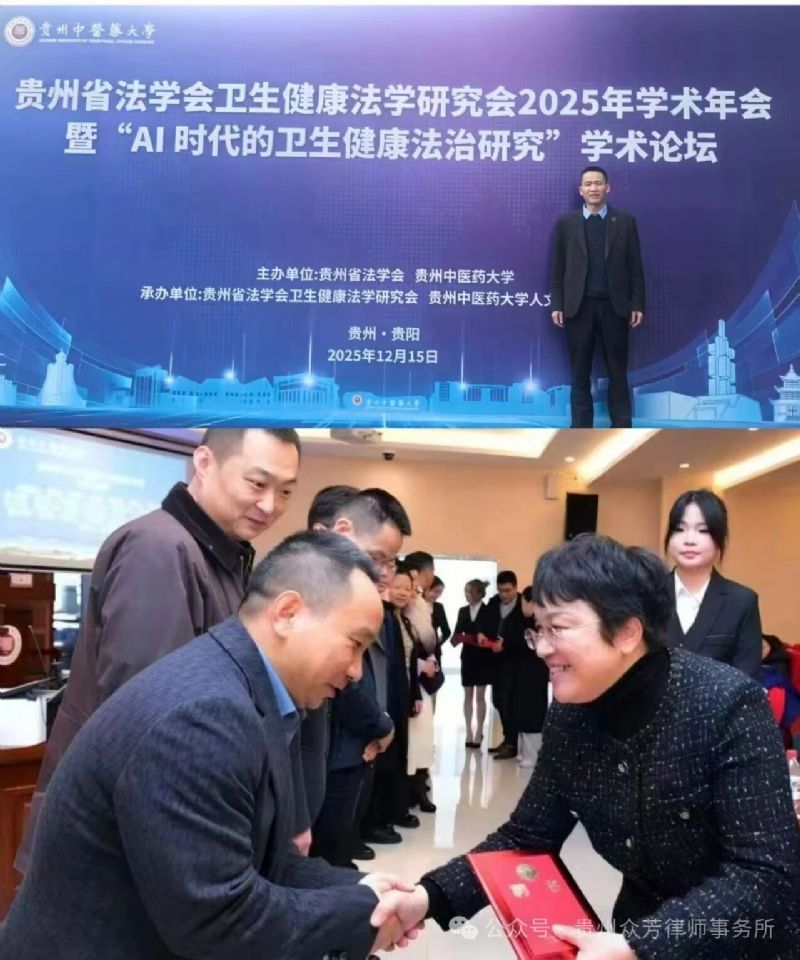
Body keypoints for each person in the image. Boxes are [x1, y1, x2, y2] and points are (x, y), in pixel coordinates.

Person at [0, 532, 425, 960]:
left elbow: (266, 861)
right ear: (288, 613)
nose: (356, 672)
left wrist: (363, 891)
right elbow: (220, 919)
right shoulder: (204, 716)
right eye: (354, 644)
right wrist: (361, 914)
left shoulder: (250, 691)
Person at [385, 534, 800, 959]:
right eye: (538, 630)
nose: (543, 648)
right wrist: (427, 897)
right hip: (633, 934)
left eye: (559, 628)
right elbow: (527, 836)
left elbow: (763, 875)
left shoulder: (727, 705)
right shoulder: (570, 715)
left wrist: (640, 946)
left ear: (627, 632)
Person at [17, 427, 302, 873]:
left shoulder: (222, 556)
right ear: (204, 463)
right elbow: (151, 720)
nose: (270, 505)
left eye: (285, 491)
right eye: (256, 483)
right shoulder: (160, 548)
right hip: (119, 836)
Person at [306, 486, 413, 866]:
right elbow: (344, 681)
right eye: (377, 558)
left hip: (348, 744)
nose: (383, 572)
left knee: (336, 851)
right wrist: (379, 724)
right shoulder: (313, 602)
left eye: (391, 562)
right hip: (323, 751)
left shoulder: (366, 602)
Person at [550, 165, 645, 427]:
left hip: (615, 307)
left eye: (598, 183)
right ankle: (581, 430)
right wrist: (557, 303)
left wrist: (637, 303)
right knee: (580, 373)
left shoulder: (624, 221)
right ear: (581, 190)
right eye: (588, 184)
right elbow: (558, 267)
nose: (594, 188)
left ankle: (622, 427)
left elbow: (635, 266)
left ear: (608, 187)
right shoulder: (566, 224)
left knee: (617, 372)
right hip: (578, 307)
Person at [664, 488, 762, 680]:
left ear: (719, 539)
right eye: (680, 529)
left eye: (703, 530)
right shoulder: (647, 594)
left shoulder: (741, 602)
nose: (689, 540)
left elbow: (747, 681)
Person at [390, 565, 437, 815]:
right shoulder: (389, 618)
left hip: (416, 688)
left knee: (420, 743)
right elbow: (398, 659)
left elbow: (423, 647)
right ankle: (409, 795)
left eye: (409, 589)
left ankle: (417, 791)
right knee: (408, 745)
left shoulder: (409, 616)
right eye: (398, 587)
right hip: (402, 688)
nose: (405, 592)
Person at [486, 570, 528, 760]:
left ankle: (513, 743)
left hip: (515, 661)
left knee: (509, 701)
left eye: (508, 590)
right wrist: (481, 633)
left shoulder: (523, 604)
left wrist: (506, 645)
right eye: (501, 590)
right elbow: (485, 623)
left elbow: (526, 632)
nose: (504, 594)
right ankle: (507, 738)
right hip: (496, 660)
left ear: (516, 587)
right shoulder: (494, 602)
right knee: (497, 700)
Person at [452, 578, 496, 749]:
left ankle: (479, 732)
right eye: (465, 591)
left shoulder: (489, 610)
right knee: (468, 695)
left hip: (483, 657)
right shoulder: (463, 611)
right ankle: (469, 731)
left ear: (479, 593)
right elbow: (458, 631)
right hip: (468, 656)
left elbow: (491, 632)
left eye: (469, 591)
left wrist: (478, 635)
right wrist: (458, 638)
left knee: (480, 696)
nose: (467, 595)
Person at [425, 576, 451, 665]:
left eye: (440, 593)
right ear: (426, 588)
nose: (438, 595)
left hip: (434, 652)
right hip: (417, 651)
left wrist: (438, 643)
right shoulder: (416, 604)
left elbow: (446, 631)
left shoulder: (439, 607)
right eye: (436, 591)